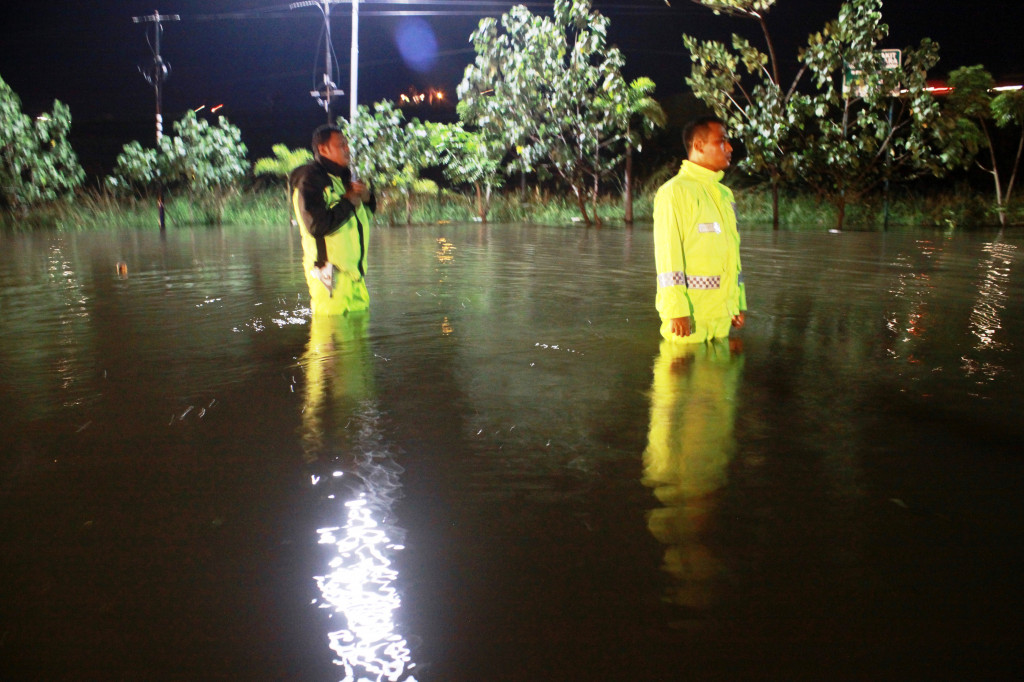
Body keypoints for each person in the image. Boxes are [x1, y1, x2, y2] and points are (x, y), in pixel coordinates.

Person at [653, 116, 746, 343]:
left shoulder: (725, 195)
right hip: (687, 323)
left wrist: (739, 302)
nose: (729, 147)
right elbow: (668, 256)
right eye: (721, 141)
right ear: (698, 146)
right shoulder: (673, 192)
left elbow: (733, 255)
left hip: (723, 320)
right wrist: (676, 310)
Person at [289, 124, 376, 316]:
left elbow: (364, 218)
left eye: (347, 144)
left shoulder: (343, 180)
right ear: (323, 149)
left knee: (358, 343)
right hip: (330, 281)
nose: (347, 149)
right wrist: (349, 201)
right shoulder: (309, 181)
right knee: (332, 338)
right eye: (341, 144)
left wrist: (367, 198)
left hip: (355, 278)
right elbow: (316, 225)